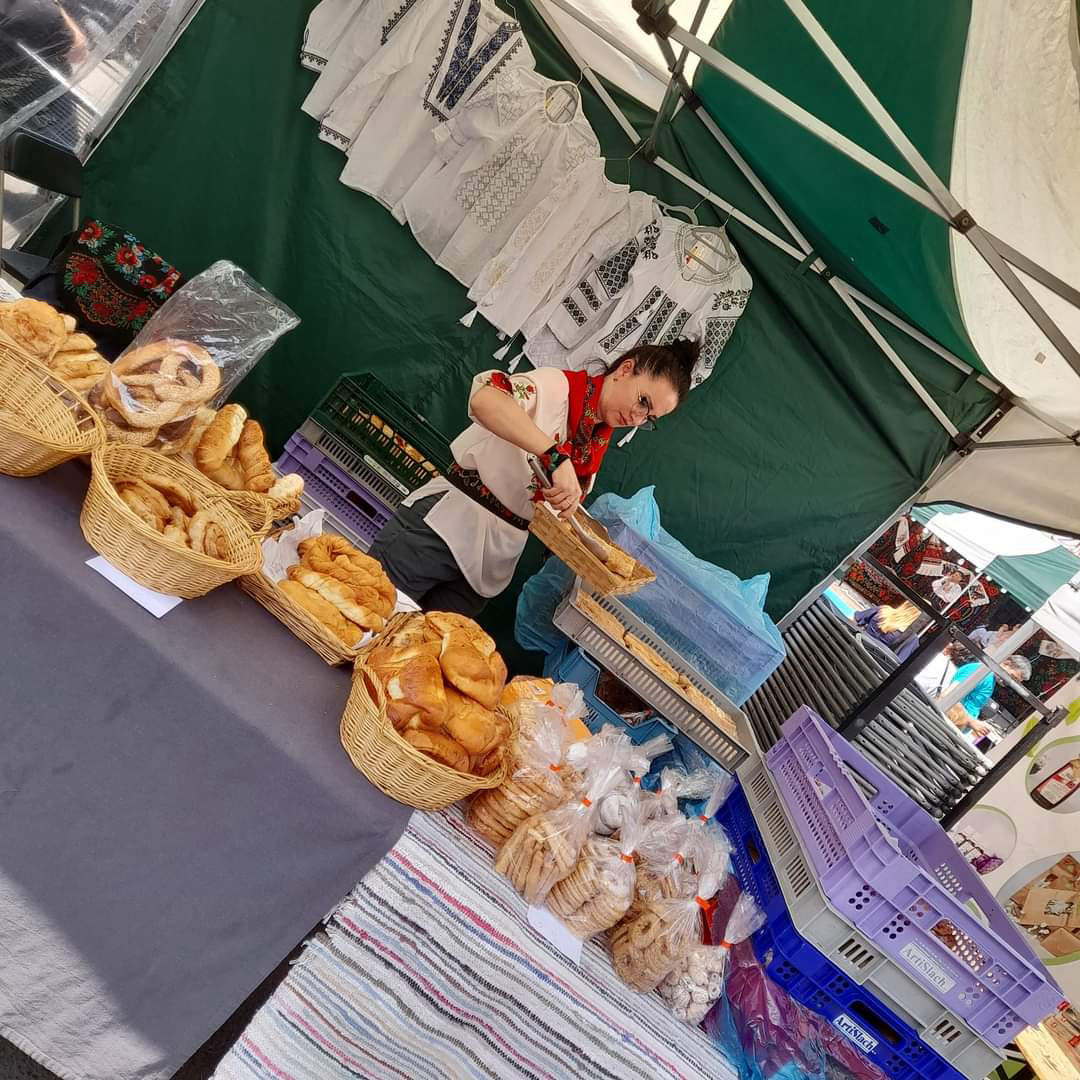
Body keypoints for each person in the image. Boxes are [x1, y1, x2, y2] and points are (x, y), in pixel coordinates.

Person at [370, 343, 699, 617]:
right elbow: (485, 398)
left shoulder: (594, 443)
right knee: (367, 619)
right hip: (445, 526)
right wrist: (554, 456)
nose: (637, 419)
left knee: (422, 661)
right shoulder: (555, 387)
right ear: (625, 370)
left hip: (493, 562)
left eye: (648, 418)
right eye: (643, 401)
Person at [945, 654, 1030, 741]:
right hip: (944, 727)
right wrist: (971, 721)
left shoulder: (990, 679)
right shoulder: (981, 672)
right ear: (1006, 663)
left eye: (1015, 681)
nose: (1010, 682)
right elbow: (948, 697)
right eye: (1012, 677)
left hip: (951, 731)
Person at [853, 601, 922, 655]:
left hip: (853, 645)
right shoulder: (910, 637)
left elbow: (857, 617)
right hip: (868, 661)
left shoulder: (884, 610)